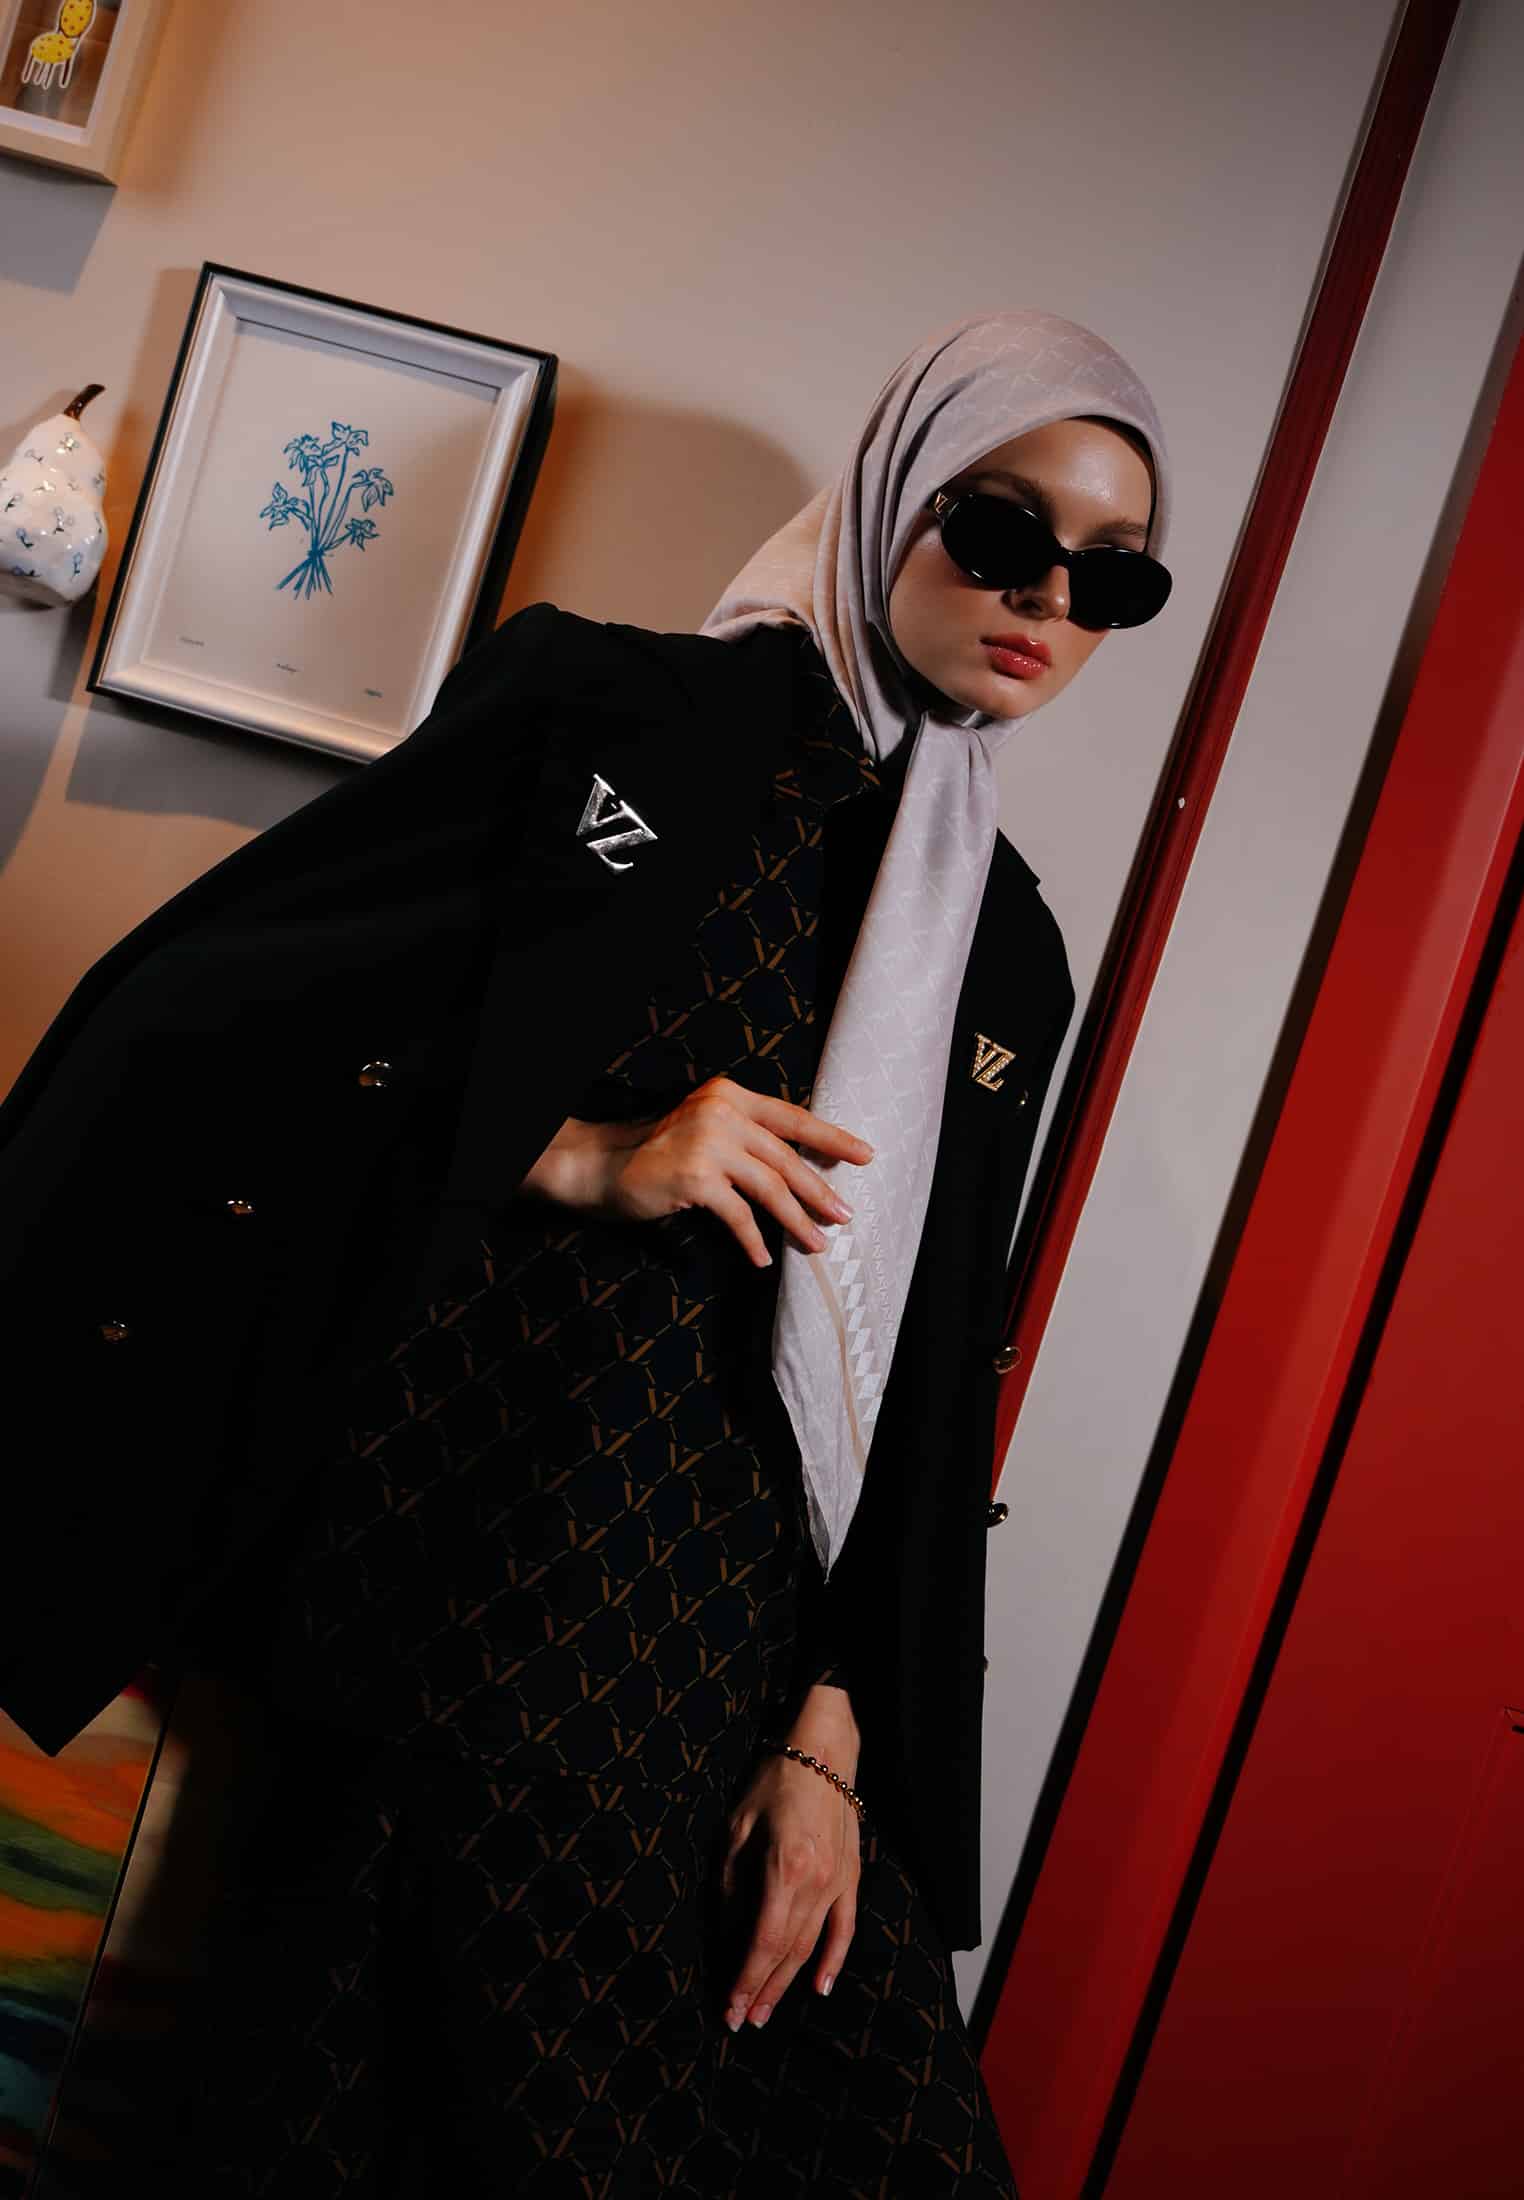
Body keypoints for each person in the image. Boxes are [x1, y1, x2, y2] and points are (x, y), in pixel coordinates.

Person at [0, 307, 1171, 2195]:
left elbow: (928, 1379)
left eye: (1114, 575)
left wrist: (833, 1744)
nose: (1050, 597)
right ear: (894, 494)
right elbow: (202, 1024)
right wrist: (578, 1156)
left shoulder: (1007, 946)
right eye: (1002, 526)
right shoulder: (612, 716)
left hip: (741, 1685)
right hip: (477, 1603)